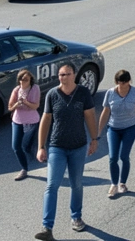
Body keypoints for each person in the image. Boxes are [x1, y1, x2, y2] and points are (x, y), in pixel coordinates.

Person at [35, 64, 98, 239]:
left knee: (76, 183)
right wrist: (41, 147)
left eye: (67, 74)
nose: (63, 77)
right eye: (61, 75)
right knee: (51, 185)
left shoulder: (83, 93)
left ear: (74, 75)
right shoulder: (52, 94)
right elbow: (46, 120)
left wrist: (94, 139)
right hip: (57, 146)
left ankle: (76, 217)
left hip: (78, 146)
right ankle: (47, 227)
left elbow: (90, 116)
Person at [98, 70, 135, 198]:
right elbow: (105, 112)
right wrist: (98, 131)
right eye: (120, 83)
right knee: (113, 157)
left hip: (130, 127)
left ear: (129, 81)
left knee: (124, 156)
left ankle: (122, 183)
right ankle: (114, 183)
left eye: (125, 82)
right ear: (116, 82)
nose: (123, 85)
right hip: (113, 128)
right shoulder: (110, 93)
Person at [8, 69, 40, 180]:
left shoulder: (35, 88)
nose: (22, 82)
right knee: (16, 146)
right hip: (18, 120)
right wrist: (17, 103)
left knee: (26, 145)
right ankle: (24, 169)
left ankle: (36, 152)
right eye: (21, 79)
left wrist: (26, 102)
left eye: (25, 80)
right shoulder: (16, 90)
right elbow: (10, 107)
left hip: (31, 121)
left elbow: (35, 106)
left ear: (30, 79)